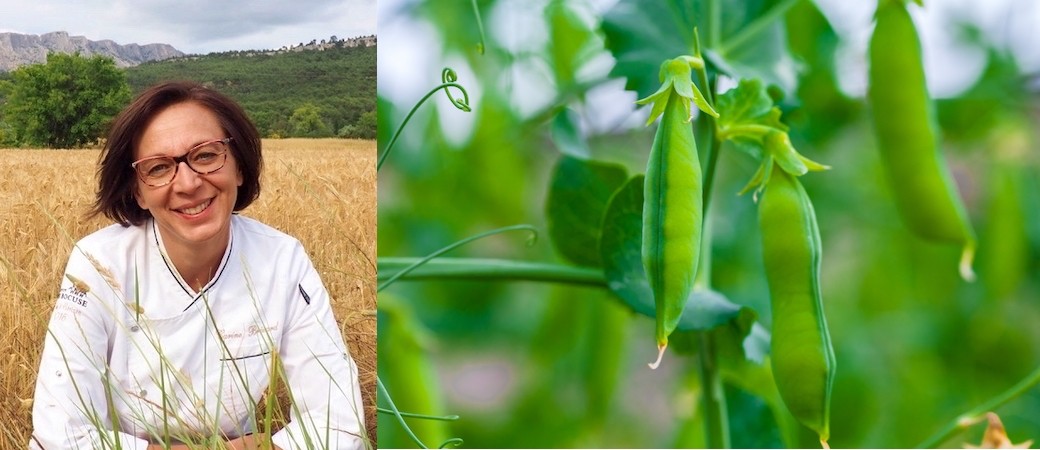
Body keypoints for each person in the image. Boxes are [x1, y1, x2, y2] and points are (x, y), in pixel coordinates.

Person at [29, 81, 366, 449]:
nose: (188, 183)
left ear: (239, 167)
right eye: (158, 168)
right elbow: (58, 433)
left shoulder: (281, 260)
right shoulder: (98, 262)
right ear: (137, 191)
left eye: (205, 155)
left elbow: (340, 423)